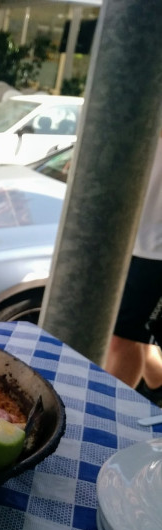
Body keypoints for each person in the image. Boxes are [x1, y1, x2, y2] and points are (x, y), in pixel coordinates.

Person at [104, 128, 162, 398]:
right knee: (137, 340)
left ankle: (109, 416)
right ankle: (157, 390)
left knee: (120, 339)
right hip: (126, 241)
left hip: (155, 251)